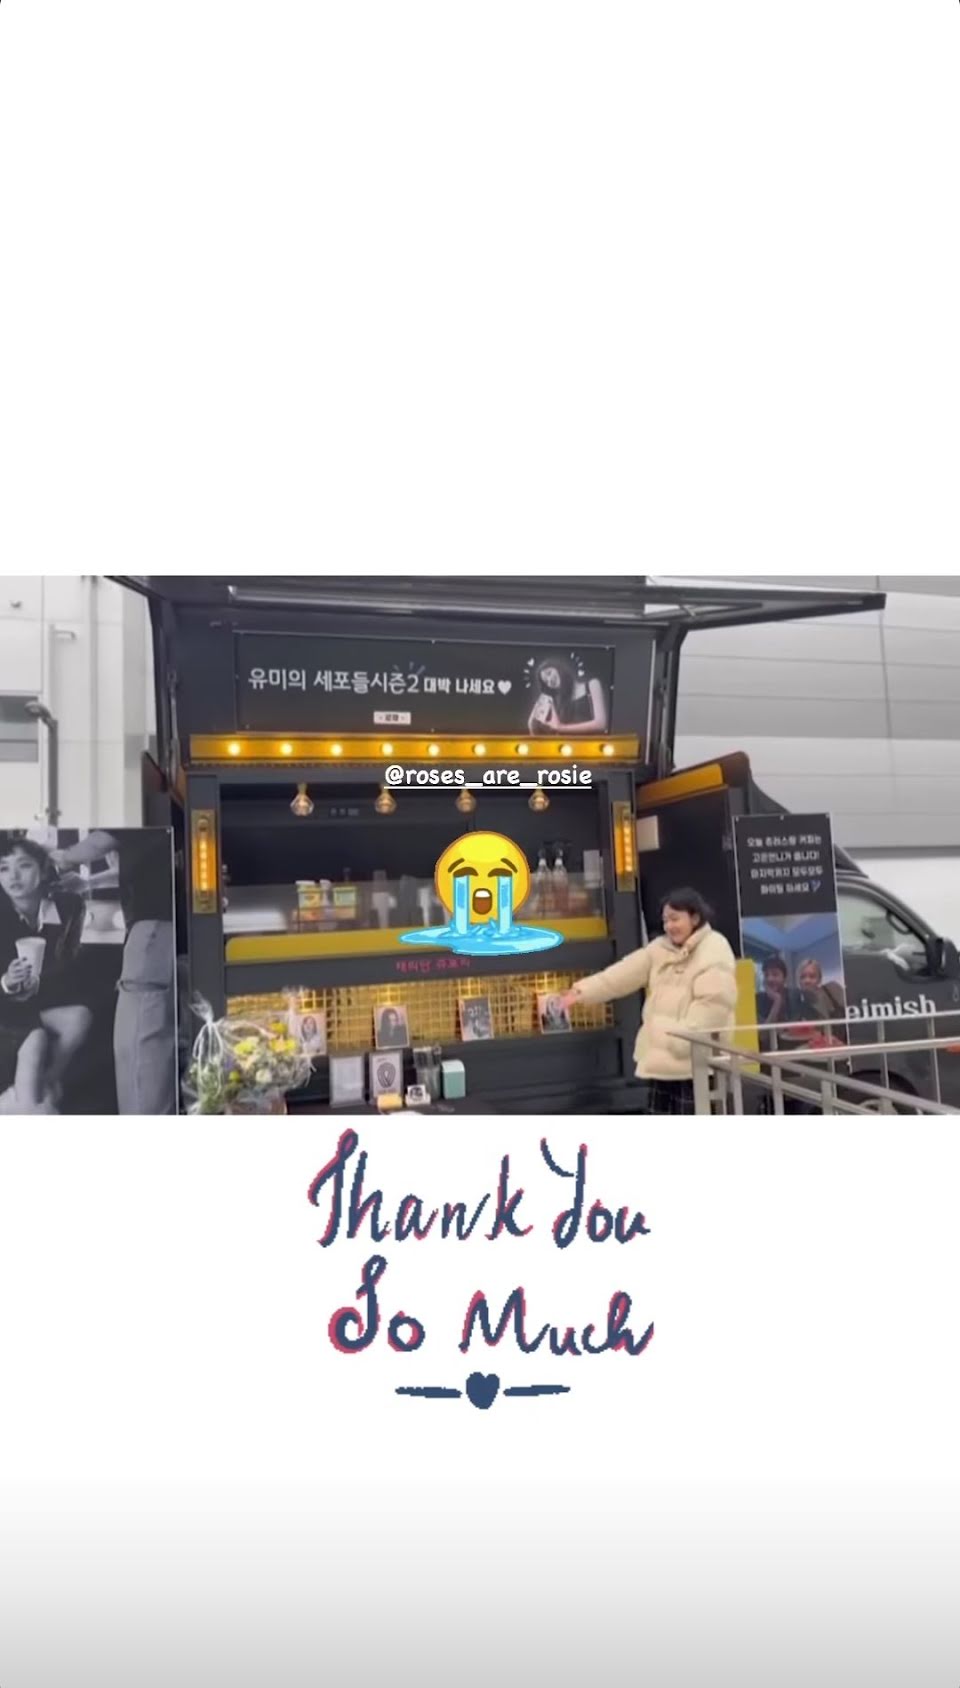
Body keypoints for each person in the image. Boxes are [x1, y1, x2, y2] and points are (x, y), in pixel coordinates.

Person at [557, 887, 737, 1113]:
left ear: (695, 917)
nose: (669, 926)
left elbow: (713, 1006)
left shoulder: (714, 949)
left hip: (696, 1067)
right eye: (665, 921)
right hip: (663, 1064)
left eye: (675, 919)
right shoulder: (659, 949)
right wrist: (580, 992)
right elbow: (620, 975)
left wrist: (680, 1043)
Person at [47, 830, 176, 1114]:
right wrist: (88, 883)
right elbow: (133, 868)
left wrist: (62, 858)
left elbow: (101, 840)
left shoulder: (136, 813)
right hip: (167, 934)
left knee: (138, 1045)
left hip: (152, 932)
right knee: (155, 1044)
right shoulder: (158, 837)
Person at [0, 834, 91, 1113]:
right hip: (4, 1006)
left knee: (80, 1017)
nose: (13, 876)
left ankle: (44, 1084)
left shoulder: (67, 906)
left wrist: (36, 979)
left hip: (35, 1001)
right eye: (3, 868)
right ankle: (29, 1107)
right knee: (36, 1040)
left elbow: (70, 961)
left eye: (24, 865)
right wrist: (6, 982)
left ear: (42, 871)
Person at [528, 657, 608, 735]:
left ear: (559, 668)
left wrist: (561, 728)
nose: (550, 680)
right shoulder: (556, 702)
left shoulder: (592, 685)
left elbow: (601, 724)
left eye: (549, 673)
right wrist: (540, 703)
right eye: (546, 682)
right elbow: (533, 729)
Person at [755, 955, 804, 1029]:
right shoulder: (758, 999)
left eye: (775, 974)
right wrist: (777, 1001)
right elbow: (764, 1032)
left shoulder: (794, 995)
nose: (770, 979)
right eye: (766, 975)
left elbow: (794, 1028)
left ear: (784, 978)